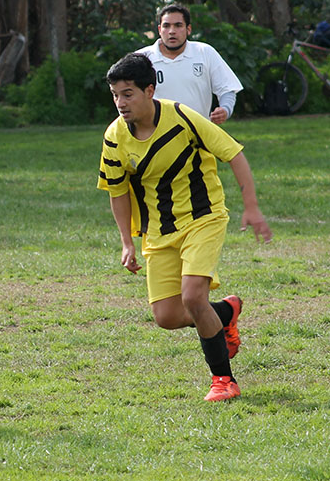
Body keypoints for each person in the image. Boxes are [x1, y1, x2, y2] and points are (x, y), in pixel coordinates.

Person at [98, 53, 272, 402]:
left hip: (202, 217)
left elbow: (233, 153)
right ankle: (226, 311)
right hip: (159, 231)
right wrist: (126, 242)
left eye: (128, 93)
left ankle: (224, 380)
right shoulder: (115, 136)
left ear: (150, 90)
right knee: (167, 316)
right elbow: (117, 191)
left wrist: (251, 206)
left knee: (193, 297)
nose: (121, 102)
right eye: (116, 94)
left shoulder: (181, 117)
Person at [136, 4, 242, 124]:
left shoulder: (204, 52)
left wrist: (225, 109)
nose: (172, 31)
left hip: (198, 134)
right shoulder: (141, 58)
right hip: (157, 136)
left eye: (178, 25)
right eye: (166, 26)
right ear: (160, 30)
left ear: (189, 29)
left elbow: (227, 88)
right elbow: (127, 93)